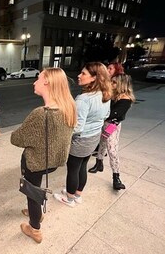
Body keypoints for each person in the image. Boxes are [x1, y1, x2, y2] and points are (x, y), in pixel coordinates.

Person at [11, 68, 77, 243]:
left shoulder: (41, 114)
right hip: (54, 161)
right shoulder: (69, 107)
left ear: (47, 82)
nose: (34, 82)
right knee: (36, 189)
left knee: (32, 193)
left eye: (38, 78)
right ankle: (36, 213)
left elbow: (16, 139)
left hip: (35, 161)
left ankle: (35, 228)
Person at [54, 62, 112, 207]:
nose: (79, 76)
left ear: (94, 78)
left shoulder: (84, 99)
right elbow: (107, 115)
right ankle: (77, 194)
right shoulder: (104, 94)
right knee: (82, 166)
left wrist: (62, 134)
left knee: (73, 169)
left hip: (80, 140)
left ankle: (69, 198)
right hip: (93, 138)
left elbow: (77, 127)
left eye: (83, 74)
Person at [88, 74, 135, 190]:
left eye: (114, 82)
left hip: (113, 125)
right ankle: (99, 163)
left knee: (112, 150)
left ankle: (116, 177)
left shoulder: (126, 99)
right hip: (104, 123)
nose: (111, 84)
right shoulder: (112, 95)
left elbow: (114, 114)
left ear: (121, 84)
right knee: (102, 144)